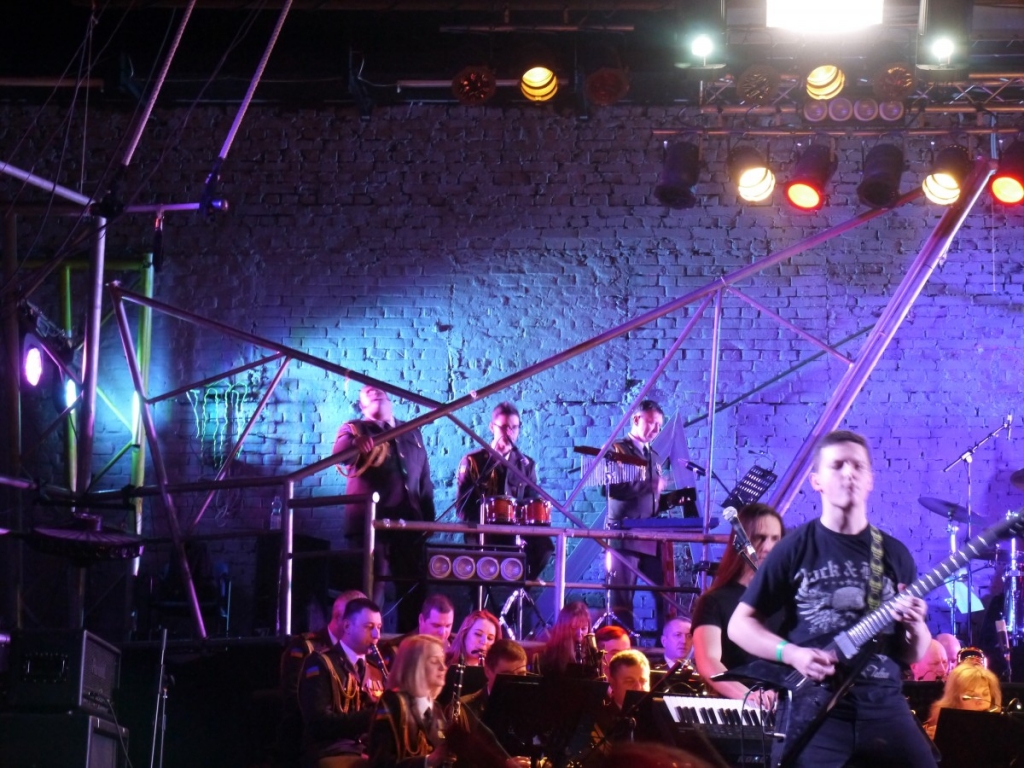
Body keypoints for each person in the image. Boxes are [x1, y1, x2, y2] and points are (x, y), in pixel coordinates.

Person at [728, 430, 937, 768]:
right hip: (818, 710)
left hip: (884, 707)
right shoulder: (794, 548)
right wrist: (792, 654)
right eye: (837, 465)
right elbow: (739, 625)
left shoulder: (895, 554)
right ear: (817, 481)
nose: (848, 473)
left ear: (870, 480)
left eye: (858, 466)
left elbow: (913, 653)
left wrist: (915, 626)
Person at [334, 385, 435, 632]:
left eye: (379, 390)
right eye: (367, 392)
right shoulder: (355, 428)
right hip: (370, 525)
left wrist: (428, 518)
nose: (374, 391)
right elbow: (341, 455)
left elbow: (423, 478)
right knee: (369, 590)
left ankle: (409, 644)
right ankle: (363, 642)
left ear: (390, 399)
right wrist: (356, 443)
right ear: (362, 406)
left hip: (408, 525)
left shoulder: (411, 431)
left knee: (412, 589)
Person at [368, 635, 525, 768]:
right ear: (415, 665)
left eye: (442, 661)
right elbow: (379, 763)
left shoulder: (435, 709)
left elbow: (478, 743)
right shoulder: (392, 703)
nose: (443, 668)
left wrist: (503, 763)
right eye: (434, 661)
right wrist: (428, 761)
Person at [692, 503, 784, 700]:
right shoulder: (714, 601)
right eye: (760, 538)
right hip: (740, 706)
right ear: (741, 542)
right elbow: (708, 660)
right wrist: (749, 696)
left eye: (775, 539)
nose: (768, 547)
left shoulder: (788, 600)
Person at [456, 401, 554, 582]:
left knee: (545, 547)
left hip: (514, 532)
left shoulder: (526, 465)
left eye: (514, 427)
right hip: (482, 531)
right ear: (492, 427)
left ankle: (521, 591)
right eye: (503, 427)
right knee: (477, 564)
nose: (509, 432)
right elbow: (462, 508)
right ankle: (478, 597)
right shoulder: (473, 461)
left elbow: (531, 502)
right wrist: (485, 518)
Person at [276, 590, 367, 768]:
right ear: (340, 619)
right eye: (362, 624)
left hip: (356, 743)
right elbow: (297, 705)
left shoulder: (363, 654)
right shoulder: (307, 648)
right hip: (313, 744)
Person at [297, 597, 386, 765]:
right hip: (331, 750)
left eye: (379, 627)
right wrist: (373, 716)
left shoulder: (375, 670)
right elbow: (319, 723)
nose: (377, 635)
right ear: (347, 627)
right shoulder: (321, 663)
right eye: (369, 627)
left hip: (368, 750)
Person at [606, 399, 667, 631]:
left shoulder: (654, 456)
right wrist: (648, 485)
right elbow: (610, 488)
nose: (656, 429)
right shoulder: (617, 450)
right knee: (621, 600)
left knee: (666, 593)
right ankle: (622, 645)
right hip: (625, 537)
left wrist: (671, 499)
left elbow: (651, 498)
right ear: (636, 419)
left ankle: (663, 645)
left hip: (650, 537)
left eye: (659, 425)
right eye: (651, 423)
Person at [591, 650, 652, 751]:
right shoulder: (599, 720)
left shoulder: (658, 719)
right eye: (629, 681)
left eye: (643, 681)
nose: (638, 687)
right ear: (612, 683)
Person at [922, 661, 1003, 738]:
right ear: (955, 699)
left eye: (985, 694)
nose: (981, 701)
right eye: (971, 696)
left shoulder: (999, 724)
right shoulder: (937, 725)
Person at [458, 638, 529, 722]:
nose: (516, 682)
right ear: (488, 671)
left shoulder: (531, 705)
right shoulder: (464, 710)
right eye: (507, 675)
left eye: (521, 674)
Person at [378, 593, 455, 667]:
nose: (443, 632)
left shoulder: (456, 648)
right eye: (436, 625)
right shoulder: (396, 650)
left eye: (448, 626)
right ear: (421, 620)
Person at [532, 600, 592, 677]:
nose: (579, 634)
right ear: (563, 628)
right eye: (574, 628)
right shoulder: (548, 657)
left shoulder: (591, 655)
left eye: (583, 628)